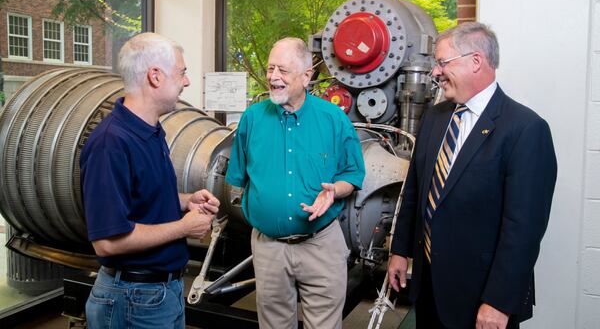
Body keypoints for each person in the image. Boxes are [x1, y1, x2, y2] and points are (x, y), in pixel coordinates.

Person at [387, 22, 557, 329]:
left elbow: (523, 229)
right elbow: (414, 191)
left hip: (481, 300)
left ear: (475, 61)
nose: (435, 73)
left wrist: (498, 302)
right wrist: (400, 251)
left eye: (442, 62)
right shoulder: (435, 118)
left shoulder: (525, 129)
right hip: (429, 291)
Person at [80, 32, 220, 329]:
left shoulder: (152, 130)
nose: (186, 82)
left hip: (161, 293)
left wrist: (186, 200)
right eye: (182, 73)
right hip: (132, 299)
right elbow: (107, 243)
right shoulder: (112, 142)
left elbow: (142, 197)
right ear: (155, 76)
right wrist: (184, 227)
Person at [225, 37, 365, 329]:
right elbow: (237, 179)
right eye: (270, 68)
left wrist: (334, 191)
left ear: (306, 75)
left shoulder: (333, 119)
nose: (273, 77)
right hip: (268, 248)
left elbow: (352, 175)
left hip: (321, 244)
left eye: (283, 70)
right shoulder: (251, 119)